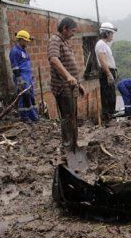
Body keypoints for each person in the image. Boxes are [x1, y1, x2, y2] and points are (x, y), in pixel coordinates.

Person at [47, 17, 86, 148]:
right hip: (63, 87)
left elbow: (70, 67)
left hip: (71, 86)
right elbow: (53, 59)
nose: (73, 34)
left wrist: (78, 84)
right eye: (72, 31)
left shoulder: (65, 42)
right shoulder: (55, 40)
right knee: (68, 117)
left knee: (73, 116)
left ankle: (74, 144)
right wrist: (68, 76)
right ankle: (68, 146)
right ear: (64, 28)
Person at [9, 30, 38, 123]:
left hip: (28, 77)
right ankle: (25, 117)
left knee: (31, 96)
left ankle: (33, 116)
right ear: (21, 40)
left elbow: (27, 64)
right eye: (26, 41)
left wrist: (31, 75)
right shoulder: (14, 51)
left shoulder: (24, 51)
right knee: (24, 97)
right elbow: (15, 67)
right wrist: (19, 80)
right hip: (22, 78)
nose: (27, 42)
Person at [95, 22, 118, 120]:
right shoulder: (101, 45)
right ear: (106, 33)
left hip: (109, 71)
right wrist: (108, 74)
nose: (112, 36)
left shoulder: (104, 44)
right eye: (111, 33)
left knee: (111, 95)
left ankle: (110, 115)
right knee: (108, 96)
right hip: (106, 72)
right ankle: (108, 117)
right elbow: (102, 60)